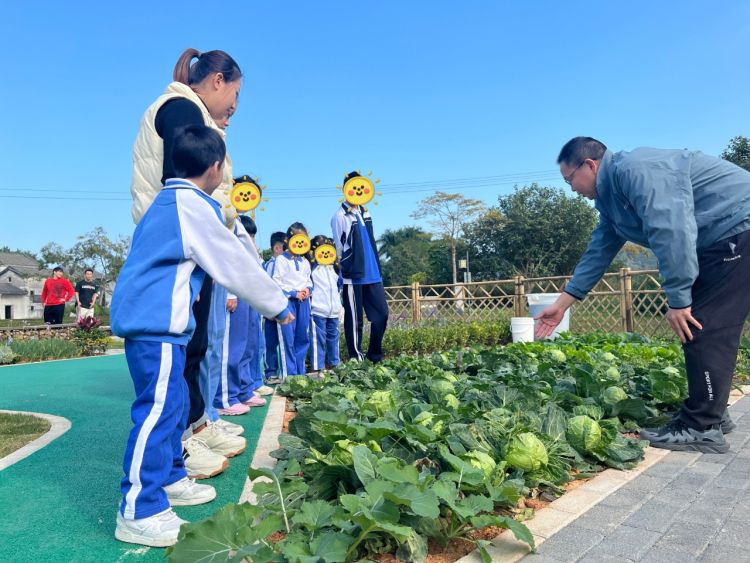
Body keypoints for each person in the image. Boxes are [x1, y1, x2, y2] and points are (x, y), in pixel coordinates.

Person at [111, 125, 293, 547]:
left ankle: (171, 476)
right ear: (215, 168)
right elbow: (233, 262)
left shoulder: (167, 200)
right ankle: (138, 508)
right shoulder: (192, 205)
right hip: (154, 326)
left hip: (161, 326)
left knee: (173, 405)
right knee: (156, 413)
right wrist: (277, 304)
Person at [536, 136, 750, 454]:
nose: (572, 189)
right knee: (703, 326)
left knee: (705, 326)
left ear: (590, 165)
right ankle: (711, 414)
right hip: (718, 240)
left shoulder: (637, 170)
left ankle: (702, 426)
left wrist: (678, 298)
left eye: (570, 179)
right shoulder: (610, 201)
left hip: (736, 227)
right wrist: (563, 303)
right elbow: (599, 251)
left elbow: (671, 228)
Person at [129, 48, 244, 478]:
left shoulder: (190, 111)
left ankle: (193, 424)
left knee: (193, 347)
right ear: (217, 81)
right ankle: (177, 445)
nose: (230, 116)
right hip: (181, 248)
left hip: (193, 245)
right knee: (179, 352)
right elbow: (185, 187)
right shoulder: (180, 109)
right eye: (231, 104)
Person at [331, 171, 389, 362]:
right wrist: (344, 268)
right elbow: (340, 247)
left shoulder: (366, 212)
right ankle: (356, 357)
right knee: (355, 320)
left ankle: (375, 354)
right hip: (353, 275)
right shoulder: (339, 216)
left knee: (381, 315)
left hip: (373, 273)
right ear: (346, 189)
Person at [272, 223, 313, 377]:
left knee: (302, 337)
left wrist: (307, 290)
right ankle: (289, 376)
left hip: (303, 303)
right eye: (297, 239)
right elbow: (277, 282)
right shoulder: (281, 260)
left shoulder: (305, 262)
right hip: (288, 302)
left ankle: (300, 375)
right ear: (288, 239)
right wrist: (294, 293)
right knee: (288, 338)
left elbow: (309, 281)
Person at [309, 235, 342, 371]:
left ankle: (335, 364)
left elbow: (339, 284)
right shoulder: (312, 267)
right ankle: (318, 368)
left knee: (334, 338)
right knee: (318, 340)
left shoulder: (334, 267)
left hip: (333, 311)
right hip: (318, 310)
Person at [264, 231, 287, 384]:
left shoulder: (284, 264)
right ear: (277, 249)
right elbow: (268, 288)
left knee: (283, 342)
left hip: (282, 310)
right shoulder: (270, 265)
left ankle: (279, 371)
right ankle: (271, 372)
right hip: (272, 312)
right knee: (271, 343)